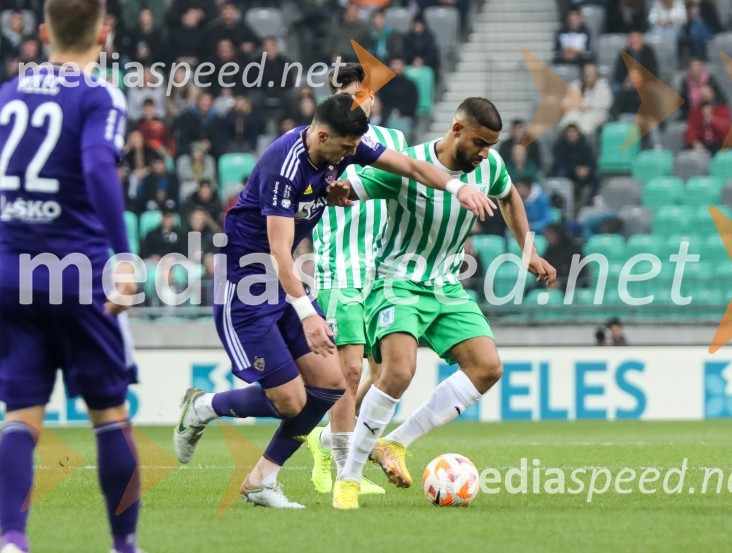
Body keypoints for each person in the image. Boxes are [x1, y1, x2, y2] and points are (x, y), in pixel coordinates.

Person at [172, 94, 495, 509]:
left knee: (328, 386)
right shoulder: (282, 167)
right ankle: (201, 408)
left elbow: (411, 166)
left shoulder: (344, 143)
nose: (349, 156)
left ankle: (261, 481)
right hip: (246, 287)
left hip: (285, 286)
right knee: (290, 401)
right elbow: (280, 252)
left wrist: (457, 186)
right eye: (344, 149)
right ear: (323, 134)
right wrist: (308, 314)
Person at [330, 97, 557, 509]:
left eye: (491, 145)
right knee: (399, 371)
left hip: (446, 285)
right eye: (479, 142)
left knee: (488, 368)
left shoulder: (489, 166)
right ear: (456, 130)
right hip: (395, 281)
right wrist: (338, 189)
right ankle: (348, 478)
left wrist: (529, 251)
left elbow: (509, 198)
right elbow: (351, 190)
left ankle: (395, 443)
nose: (485, 153)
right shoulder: (407, 166)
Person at [0, 1, 142, 552]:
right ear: (103, 33)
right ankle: (124, 545)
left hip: (12, 273)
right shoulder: (99, 94)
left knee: (20, 416)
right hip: (75, 273)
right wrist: (123, 256)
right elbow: (97, 165)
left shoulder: (8, 97)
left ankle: (12, 540)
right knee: (109, 414)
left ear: (43, 33)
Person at [305, 63, 406, 497]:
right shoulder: (324, 140)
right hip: (337, 265)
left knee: (387, 373)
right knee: (347, 370)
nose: (362, 100)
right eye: (352, 94)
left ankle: (328, 439)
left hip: (382, 268)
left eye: (366, 94)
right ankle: (347, 467)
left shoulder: (396, 141)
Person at [552, 124, 600, 209]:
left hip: (583, 172)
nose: (572, 134)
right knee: (560, 173)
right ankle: (561, 202)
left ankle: (589, 200)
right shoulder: (559, 146)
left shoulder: (585, 145)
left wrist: (586, 169)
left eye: (574, 132)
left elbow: (591, 161)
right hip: (568, 172)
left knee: (597, 176)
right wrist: (575, 169)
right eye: (569, 132)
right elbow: (560, 163)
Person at [559, 62, 612, 137]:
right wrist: (579, 106)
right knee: (569, 118)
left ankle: (583, 140)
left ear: (596, 74)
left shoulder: (603, 86)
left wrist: (590, 107)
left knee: (587, 121)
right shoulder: (575, 85)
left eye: (591, 73)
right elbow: (566, 102)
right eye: (586, 72)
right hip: (577, 111)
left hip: (596, 112)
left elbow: (606, 103)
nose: (588, 75)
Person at [684, 84, 731, 154]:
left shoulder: (722, 109)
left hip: (719, 143)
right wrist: (694, 142)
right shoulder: (695, 112)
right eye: (702, 95)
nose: (705, 98)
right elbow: (689, 130)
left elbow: (726, 130)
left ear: (712, 95)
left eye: (707, 95)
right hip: (702, 143)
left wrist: (712, 119)